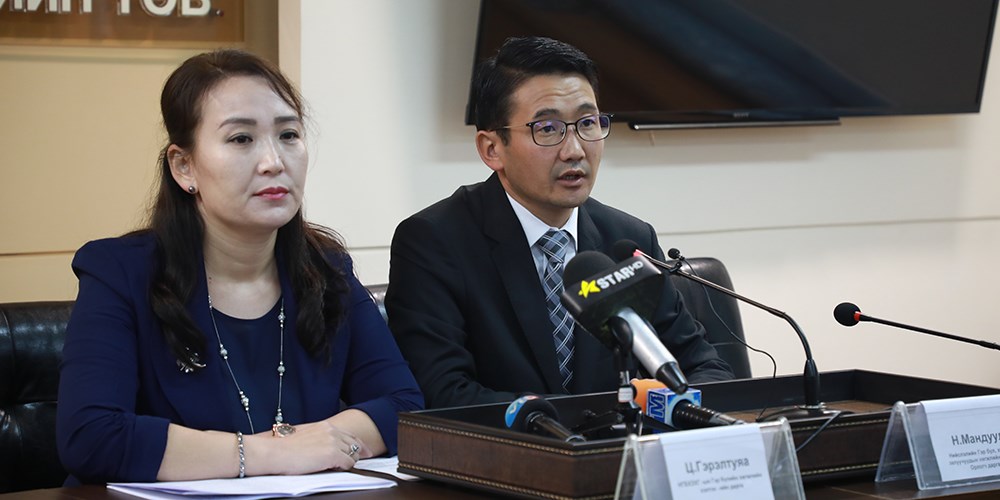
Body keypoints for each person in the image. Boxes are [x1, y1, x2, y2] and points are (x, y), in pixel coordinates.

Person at [56, 49, 423, 485]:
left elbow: (404, 406)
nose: (274, 162)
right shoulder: (120, 272)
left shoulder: (327, 269)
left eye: (289, 134)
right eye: (241, 139)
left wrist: (310, 446)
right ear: (184, 166)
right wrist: (274, 453)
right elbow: (93, 437)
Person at [385, 36, 734, 409]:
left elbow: (704, 368)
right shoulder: (434, 241)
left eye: (587, 123)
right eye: (548, 129)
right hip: (516, 444)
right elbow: (443, 393)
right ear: (492, 149)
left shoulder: (628, 239)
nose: (575, 150)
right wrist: (582, 425)